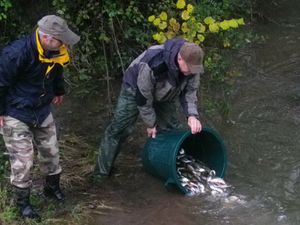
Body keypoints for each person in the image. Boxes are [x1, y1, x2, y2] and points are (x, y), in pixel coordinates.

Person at [0, 15, 80, 220]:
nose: (64, 44)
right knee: (24, 161)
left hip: (41, 109)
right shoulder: (16, 54)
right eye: (61, 40)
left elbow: (57, 70)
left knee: (51, 151)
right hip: (16, 112)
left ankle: (51, 189)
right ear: (46, 37)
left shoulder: (55, 50)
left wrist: (59, 90)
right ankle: (23, 204)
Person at [94, 38, 204, 179]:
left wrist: (192, 115)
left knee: (172, 129)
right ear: (180, 59)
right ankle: (101, 174)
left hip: (166, 93)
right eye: (190, 68)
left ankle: (174, 168)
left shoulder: (192, 67)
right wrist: (150, 124)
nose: (192, 72)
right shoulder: (154, 61)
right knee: (119, 129)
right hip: (135, 90)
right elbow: (143, 96)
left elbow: (190, 92)